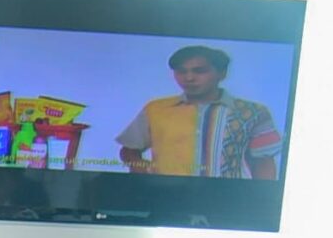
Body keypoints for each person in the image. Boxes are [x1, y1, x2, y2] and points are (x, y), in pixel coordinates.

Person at [115, 45, 282, 180]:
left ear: (221, 73)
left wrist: (261, 201)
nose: (189, 78)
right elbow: (129, 150)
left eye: (199, 71)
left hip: (227, 202)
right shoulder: (156, 109)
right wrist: (144, 171)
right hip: (165, 198)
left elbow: (263, 162)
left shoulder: (252, 112)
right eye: (181, 71)